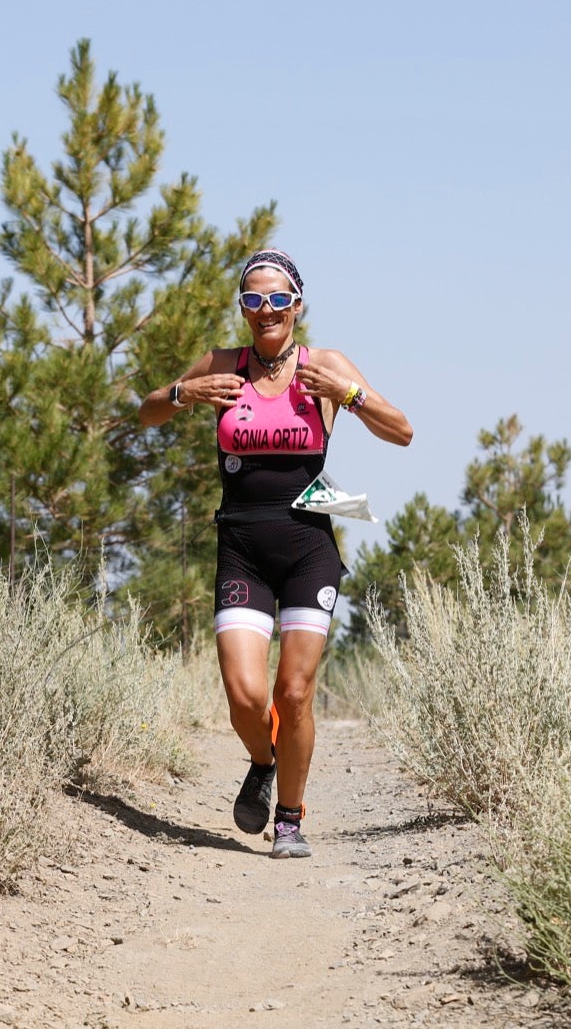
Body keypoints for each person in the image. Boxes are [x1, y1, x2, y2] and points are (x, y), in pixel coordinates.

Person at [138, 249, 413, 859]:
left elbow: (403, 430)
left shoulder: (326, 366)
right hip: (240, 544)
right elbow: (147, 411)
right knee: (244, 695)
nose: (267, 310)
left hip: (308, 546)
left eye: (279, 299)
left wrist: (350, 395)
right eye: (254, 300)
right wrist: (185, 392)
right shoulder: (222, 364)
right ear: (243, 309)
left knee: (293, 692)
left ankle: (289, 817)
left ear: (298, 305)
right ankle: (263, 761)